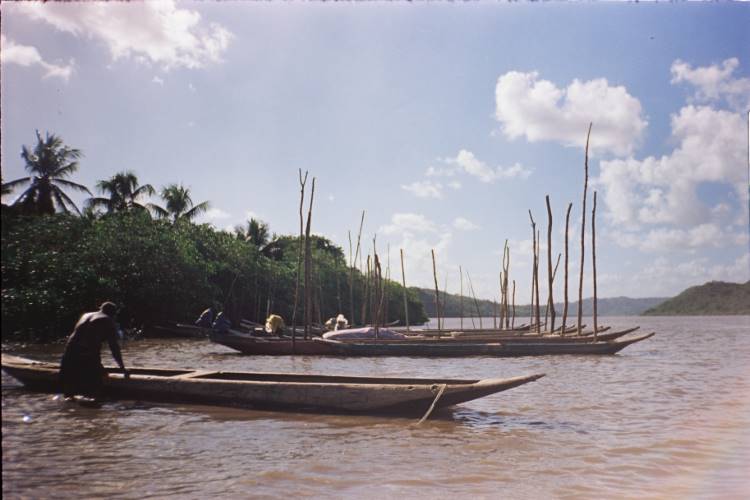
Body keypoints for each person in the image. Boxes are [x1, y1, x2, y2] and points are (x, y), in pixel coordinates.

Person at [59, 302, 129, 399]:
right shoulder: (107, 320)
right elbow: (114, 347)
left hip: (69, 352)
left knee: (69, 393)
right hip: (86, 354)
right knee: (96, 390)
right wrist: (122, 368)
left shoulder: (86, 315)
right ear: (113, 314)